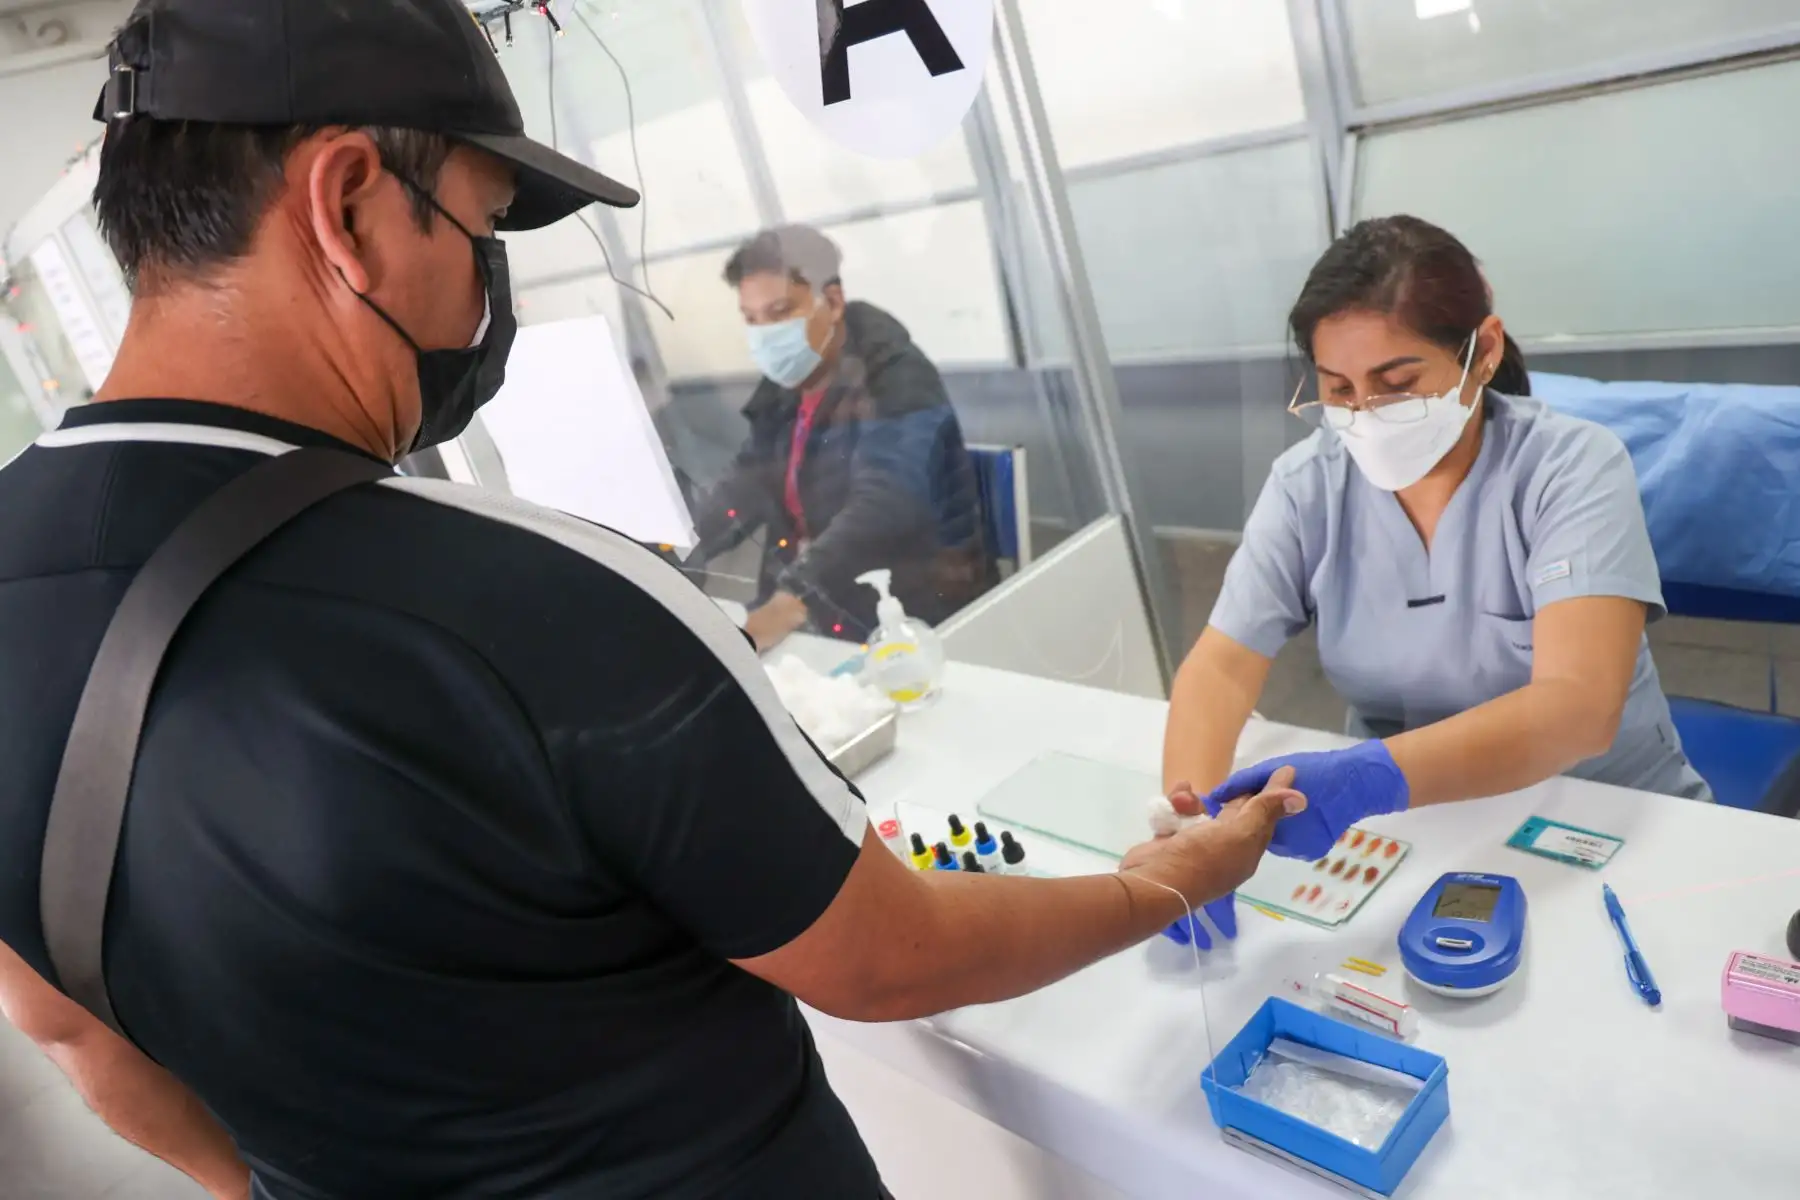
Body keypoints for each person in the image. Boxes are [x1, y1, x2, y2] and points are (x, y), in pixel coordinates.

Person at [0, 3, 1310, 1198]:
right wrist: (1161, 887)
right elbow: (884, 956)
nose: (484, 295)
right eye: (478, 230)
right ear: (348, 207)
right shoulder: (535, 601)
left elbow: (69, 1033)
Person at [1163, 215, 1710, 862]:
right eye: (1339, 390)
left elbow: (1579, 709)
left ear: (1485, 352)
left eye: (1397, 386)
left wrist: (1367, 777)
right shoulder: (1308, 486)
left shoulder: (1572, 468)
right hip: (1412, 822)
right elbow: (1223, 667)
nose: (1364, 414)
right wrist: (1193, 830)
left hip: (1594, 811)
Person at [692, 224, 993, 650]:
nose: (764, 334)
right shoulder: (786, 388)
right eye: (751, 319)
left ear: (831, 302)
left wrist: (793, 597)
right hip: (827, 601)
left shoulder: (897, 376)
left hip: (907, 611)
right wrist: (677, 547)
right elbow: (746, 481)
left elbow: (887, 503)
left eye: (779, 312)